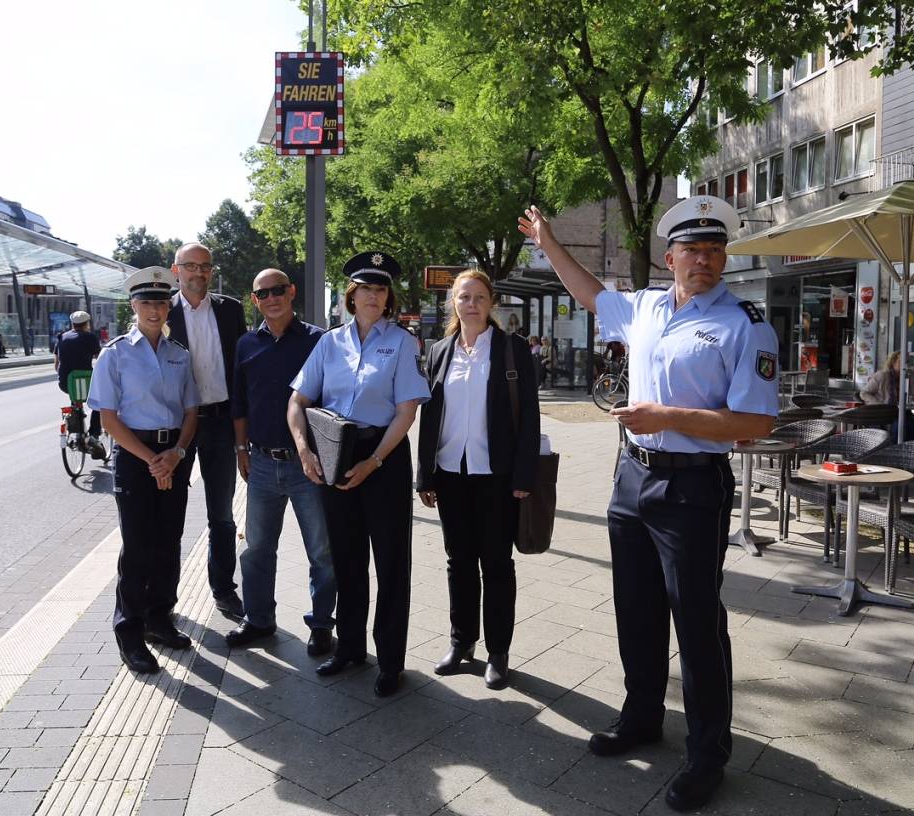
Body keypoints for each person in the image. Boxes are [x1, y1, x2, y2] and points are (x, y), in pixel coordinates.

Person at [518, 196, 779, 812]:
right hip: (632, 478)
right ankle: (641, 715)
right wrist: (549, 242)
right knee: (634, 608)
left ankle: (708, 752)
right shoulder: (644, 308)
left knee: (696, 622)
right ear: (670, 258)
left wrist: (667, 416)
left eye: (715, 250)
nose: (705, 260)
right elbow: (588, 294)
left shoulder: (746, 323)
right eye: (692, 250)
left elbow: (755, 422)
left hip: (693, 485)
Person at [287, 251, 430, 697]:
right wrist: (305, 451)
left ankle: (390, 660)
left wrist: (374, 461)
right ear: (352, 295)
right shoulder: (329, 343)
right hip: (334, 452)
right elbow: (298, 401)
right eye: (366, 288)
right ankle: (349, 647)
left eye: (381, 289)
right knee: (346, 559)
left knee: (391, 563)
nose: (374, 296)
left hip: (382, 457)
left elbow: (406, 411)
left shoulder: (403, 343)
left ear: (388, 298)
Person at [416, 269, 539, 690]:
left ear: (491, 303)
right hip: (451, 473)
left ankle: (498, 652)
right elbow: (429, 417)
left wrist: (525, 474)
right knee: (459, 562)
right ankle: (461, 641)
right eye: (464, 297)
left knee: (498, 565)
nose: (471, 304)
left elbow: (530, 417)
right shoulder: (440, 350)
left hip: (497, 475)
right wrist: (424, 475)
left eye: (479, 297)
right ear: (454, 301)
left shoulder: (512, 350)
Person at [87, 267, 200, 674]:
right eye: (146, 302)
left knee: (169, 542)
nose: (154, 310)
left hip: (173, 452)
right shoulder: (115, 354)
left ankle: (159, 618)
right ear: (133, 306)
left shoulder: (179, 355)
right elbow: (108, 419)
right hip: (136, 457)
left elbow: (191, 411)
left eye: (160, 302)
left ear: (169, 306)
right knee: (137, 548)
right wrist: (152, 460)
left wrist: (176, 453)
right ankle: (129, 633)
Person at [225, 269, 337, 657]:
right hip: (260, 462)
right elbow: (238, 402)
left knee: (321, 550)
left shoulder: (318, 340)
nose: (271, 298)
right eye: (262, 293)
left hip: (309, 465)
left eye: (278, 290)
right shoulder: (244, 345)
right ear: (254, 300)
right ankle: (258, 619)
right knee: (257, 547)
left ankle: (322, 624)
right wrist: (241, 449)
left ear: (291, 292)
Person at [166, 242, 248, 620]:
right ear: (175, 270)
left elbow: (243, 369)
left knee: (222, 515)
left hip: (219, 422)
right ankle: (164, 600)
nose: (199, 273)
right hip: (177, 424)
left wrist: (243, 433)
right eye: (191, 266)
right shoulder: (160, 308)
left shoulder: (230, 309)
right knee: (170, 515)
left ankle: (224, 590)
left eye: (205, 267)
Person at [56, 310, 106, 459]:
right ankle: (94, 435)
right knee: (98, 403)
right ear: (86, 324)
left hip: (66, 383)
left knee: (75, 397)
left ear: (72, 324)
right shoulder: (90, 337)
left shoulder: (62, 337)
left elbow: (56, 363)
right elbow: (100, 359)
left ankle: (75, 425)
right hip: (85, 382)